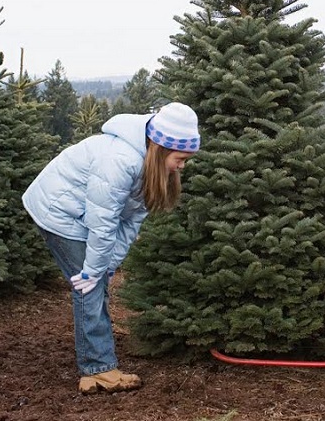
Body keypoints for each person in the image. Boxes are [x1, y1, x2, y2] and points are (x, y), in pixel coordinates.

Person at [22, 101, 200, 394]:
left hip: (84, 215)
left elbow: (130, 223)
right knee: (87, 285)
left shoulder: (152, 169)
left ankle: (96, 363)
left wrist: (108, 266)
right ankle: (98, 368)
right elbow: (102, 222)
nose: (182, 166)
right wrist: (94, 270)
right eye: (180, 158)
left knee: (95, 280)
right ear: (161, 148)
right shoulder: (120, 160)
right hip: (59, 210)